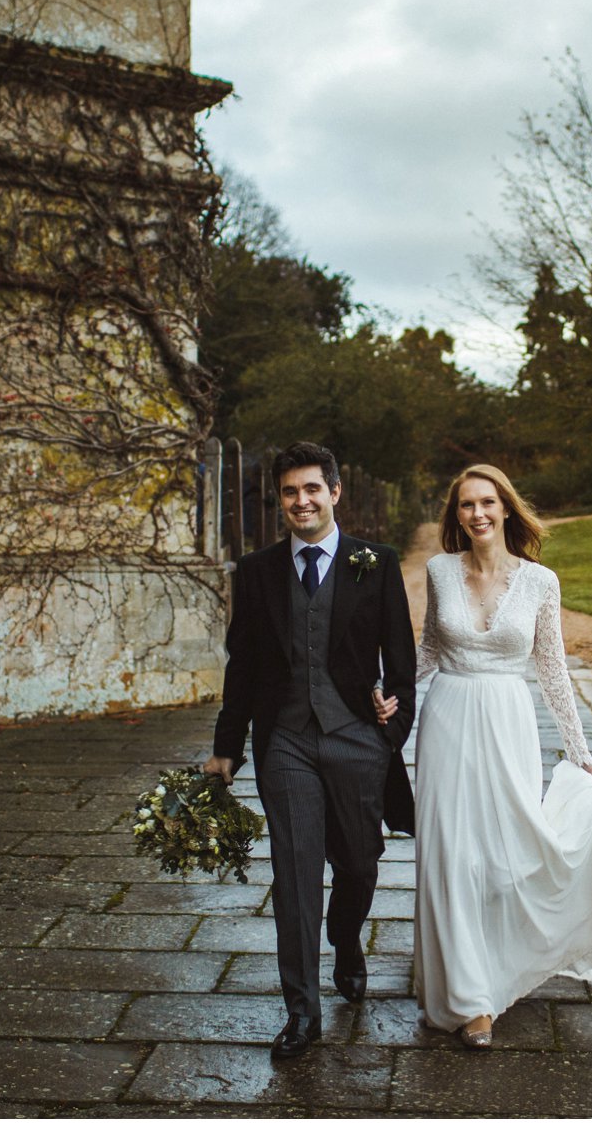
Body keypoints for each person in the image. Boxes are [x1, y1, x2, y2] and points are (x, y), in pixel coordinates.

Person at [373, 463, 592, 1048]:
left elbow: (552, 669)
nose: (478, 514)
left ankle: (502, 959)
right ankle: (468, 998)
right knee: (452, 855)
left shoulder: (541, 582)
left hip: (508, 721)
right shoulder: (438, 571)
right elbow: (430, 647)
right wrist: (392, 694)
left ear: (506, 508)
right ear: (455, 515)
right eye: (466, 506)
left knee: (507, 855)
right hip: (448, 720)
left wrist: (580, 751)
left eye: (487, 503)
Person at [202, 441, 416, 1061]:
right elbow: (242, 664)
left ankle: (345, 940)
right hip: (286, 741)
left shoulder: (374, 564)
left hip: (356, 739)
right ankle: (302, 1012)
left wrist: (391, 726)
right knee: (295, 875)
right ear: (281, 500)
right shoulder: (258, 570)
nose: (302, 501)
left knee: (360, 864)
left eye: (312, 489)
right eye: (291, 492)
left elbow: (401, 665)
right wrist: (225, 747)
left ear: (335, 492)